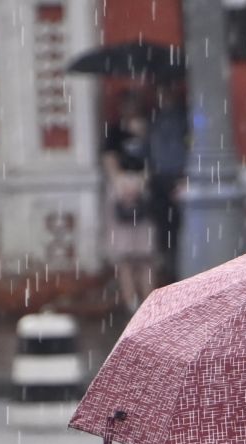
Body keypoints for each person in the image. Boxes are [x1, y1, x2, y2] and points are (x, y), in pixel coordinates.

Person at [102, 94, 158, 310]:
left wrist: (142, 183)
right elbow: (110, 160)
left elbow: (153, 161)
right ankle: (131, 302)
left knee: (146, 253)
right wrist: (122, 185)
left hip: (142, 190)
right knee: (124, 254)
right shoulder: (115, 132)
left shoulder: (149, 133)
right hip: (121, 190)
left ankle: (149, 302)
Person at [145, 83, 189, 280]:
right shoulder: (154, 118)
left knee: (179, 229)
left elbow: (191, 147)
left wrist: (187, 177)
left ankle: (177, 270)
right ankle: (168, 270)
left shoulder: (183, 118)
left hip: (177, 177)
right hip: (159, 179)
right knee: (163, 229)